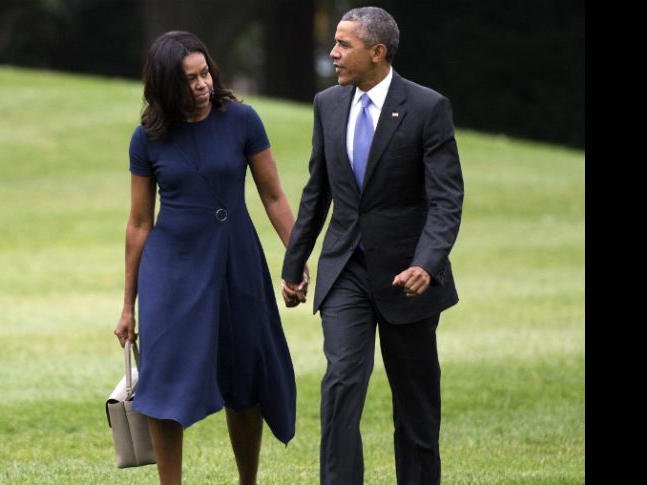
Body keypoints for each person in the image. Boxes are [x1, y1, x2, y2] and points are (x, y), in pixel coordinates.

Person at [281, 6, 464, 485]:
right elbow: (317, 190)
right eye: (335, 43)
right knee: (341, 383)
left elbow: (446, 200)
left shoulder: (427, 108)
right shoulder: (328, 105)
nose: (333, 53)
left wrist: (427, 263)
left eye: (344, 45)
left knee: (416, 404)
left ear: (377, 52)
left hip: (408, 278)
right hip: (346, 271)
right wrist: (295, 261)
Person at [113, 31, 304, 485]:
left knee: (245, 379)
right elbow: (139, 223)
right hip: (171, 269)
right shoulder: (147, 139)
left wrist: (294, 260)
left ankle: (247, 481)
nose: (202, 84)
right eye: (190, 79)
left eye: (205, 74)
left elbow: (274, 196)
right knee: (162, 384)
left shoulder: (242, 120)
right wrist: (127, 304)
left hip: (235, 258)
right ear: (165, 85)